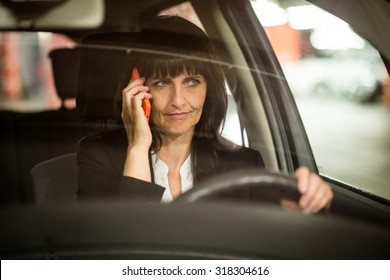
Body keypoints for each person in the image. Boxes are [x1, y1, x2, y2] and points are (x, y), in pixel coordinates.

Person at [77, 15, 333, 214]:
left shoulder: (243, 164)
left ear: (209, 88)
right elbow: (119, 248)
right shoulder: (100, 157)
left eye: (192, 82)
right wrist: (137, 148)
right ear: (138, 89)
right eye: (162, 83)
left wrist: (296, 207)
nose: (178, 101)